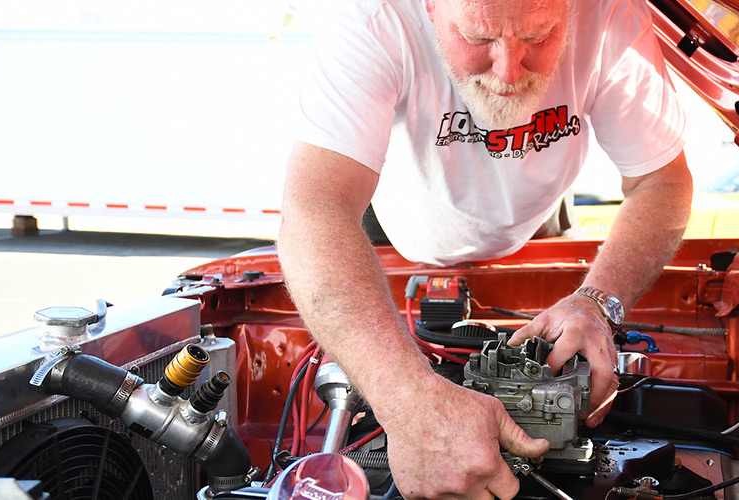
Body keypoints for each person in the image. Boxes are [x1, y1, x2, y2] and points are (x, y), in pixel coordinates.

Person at [276, 0, 692, 497]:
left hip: (540, 219)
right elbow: (315, 210)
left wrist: (598, 301)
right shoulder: (373, 18)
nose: (509, 70)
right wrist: (411, 406)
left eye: (539, 37)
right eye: (478, 39)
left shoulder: (612, 15)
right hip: (401, 229)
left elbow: (661, 181)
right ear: (429, 7)